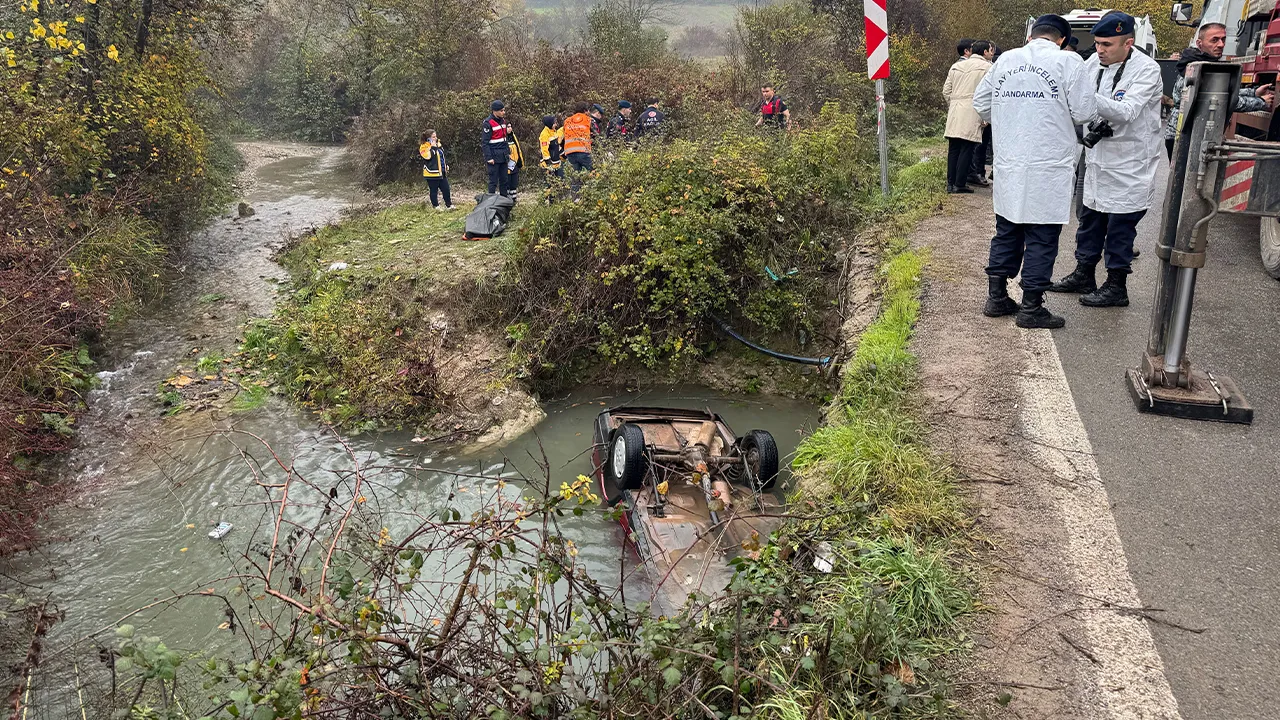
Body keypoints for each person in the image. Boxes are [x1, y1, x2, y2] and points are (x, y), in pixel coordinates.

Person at [974, 15, 1097, 329]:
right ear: (1062, 40)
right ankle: (1031, 308)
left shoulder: (1005, 60)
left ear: (1030, 36)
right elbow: (1084, 111)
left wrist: (1011, 113)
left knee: (1007, 229)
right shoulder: (1069, 62)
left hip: (1010, 163)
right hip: (1048, 166)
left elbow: (981, 103)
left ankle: (997, 297)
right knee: (1041, 236)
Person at [1049, 12, 1163, 308]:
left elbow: (1126, 112)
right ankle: (1084, 273)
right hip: (1097, 159)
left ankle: (1116, 285)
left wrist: (1083, 97)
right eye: (1098, 43)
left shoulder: (1146, 69)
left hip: (1129, 163)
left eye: (1107, 45)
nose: (1099, 49)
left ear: (1128, 43)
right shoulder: (1092, 64)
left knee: (1120, 227)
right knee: (1090, 221)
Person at [1164, 22, 1274, 158]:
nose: (1221, 44)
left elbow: (1220, 91)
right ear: (1199, 43)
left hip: (1188, 134)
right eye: (1214, 40)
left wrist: (1253, 93)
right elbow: (1221, 101)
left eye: (1223, 39)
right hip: (1186, 137)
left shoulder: (1196, 62)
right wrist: (1261, 102)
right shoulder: (1198, 68)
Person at [944, 40, 993, 194]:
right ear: (984, 52)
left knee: (954, 148)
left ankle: (950, 184)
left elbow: (946, 91)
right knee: (967, 147)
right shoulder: (988, 68)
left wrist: (954, 103)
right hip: (973, 109)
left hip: (955, 109)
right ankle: (960, 183)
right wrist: (986, 115)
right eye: (990, 50)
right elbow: (990, 92)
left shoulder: (956, 66)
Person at [482, 100, 512, 196]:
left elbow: (504, 139)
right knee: (493, 181)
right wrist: (489, 158)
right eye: (501, 111)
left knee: (504, 180)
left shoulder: (503, 121)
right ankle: (490, 201)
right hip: (494, 156)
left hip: (503, 155)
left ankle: (503, 200)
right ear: (495, 111)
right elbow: (485, 143)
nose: (503, 112)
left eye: (504, 110)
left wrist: (508, 152)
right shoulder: (488, 123)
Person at [419, 130, 453, 211]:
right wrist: (433, 147)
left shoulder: (439, 144)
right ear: (428, 139)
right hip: (431, 173)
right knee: (434, 190)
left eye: (436, 136)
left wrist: (445, 165)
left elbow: (441, 157)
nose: (436, 138)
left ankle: (449, 205)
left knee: (446, 189)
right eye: (433, 137)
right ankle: (436, 206)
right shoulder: (423, 147)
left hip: (441, 172)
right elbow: (428, 157)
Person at [563, 102, 594, 174]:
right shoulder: (588, 119)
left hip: (569, 152)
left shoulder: (567, 121)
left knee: (575, 176)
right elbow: (596, 135)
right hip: (583, 150)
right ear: (585, 111)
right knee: (594, 171)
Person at [506, 117, 526, 201]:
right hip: (506, 166)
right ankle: (506, 201)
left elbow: (518, 150)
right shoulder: (502, 138)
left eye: (510, 126)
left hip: (514, 165)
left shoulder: (513, 136)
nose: (510, 128)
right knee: (506, 184)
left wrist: (520, 163)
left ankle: (513, 201)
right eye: (508, 127)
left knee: (514, 184)